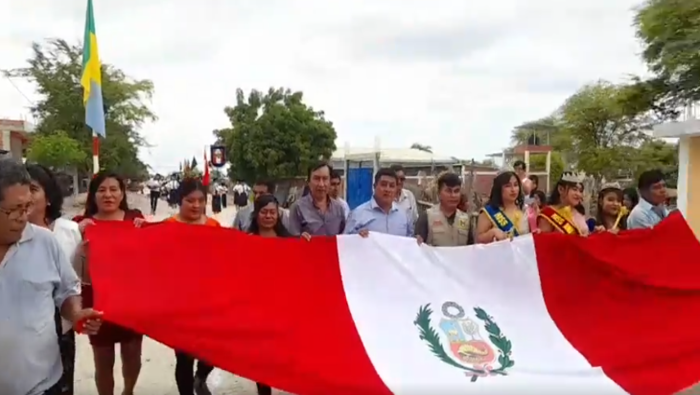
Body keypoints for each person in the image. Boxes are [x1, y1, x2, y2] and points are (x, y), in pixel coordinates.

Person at [0, 160, 101, 395]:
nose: (23, 217)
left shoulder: (45, 242)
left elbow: (67, 291)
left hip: (42, 385)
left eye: (27, 207)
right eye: (13, 209)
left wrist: (76, 313)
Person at [72, 172, 145, 395]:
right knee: (103, 360)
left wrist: (145, 233)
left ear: (122, 193)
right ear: (93, 195)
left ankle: (128, 391)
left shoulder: (134, 219)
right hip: (97, 300)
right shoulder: (80, 224)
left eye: (114, 189)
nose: (108, 195)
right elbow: (72, 271)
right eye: (101, 190)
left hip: (131, 300)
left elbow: (150, 259)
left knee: (132, 355)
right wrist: (77, 237)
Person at [26, 164, 83, 395]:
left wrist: (77, 313)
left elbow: (75, 283)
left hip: (59, 332)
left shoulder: (68, 232)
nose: (25, 196)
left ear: (48, 197)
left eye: (32, 188)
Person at [246, 194, 310, 395]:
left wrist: (306, 243)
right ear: (256, 215)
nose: (268, 216)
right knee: (261, 357)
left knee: (283, 354)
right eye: (264, 212)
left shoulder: (288, 241)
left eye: (272, 212)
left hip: (281, 307)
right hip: (255, 308)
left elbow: (301, 266)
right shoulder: (245, 242)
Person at [163, 179, 219, 395]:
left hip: (209, 301)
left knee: (212, 352)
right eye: (190, 201)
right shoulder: (168, 226)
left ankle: (201, 377)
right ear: (180, 200)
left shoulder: (214, 226)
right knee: (184, 356)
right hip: (179, 303)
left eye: (200, 201)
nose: (196, 205)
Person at [345, 168, 413, 237]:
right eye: (383, 184)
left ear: (396, 189)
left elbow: (410, 242)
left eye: (392, 186)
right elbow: (345, 242)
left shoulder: (404, 216)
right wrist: (356, 237)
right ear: (374, 186)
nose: (387, 189)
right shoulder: (357, 214)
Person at [289, 162, 346, 236]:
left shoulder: (339, 208)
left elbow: (345, 237)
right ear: (309, 182)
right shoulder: (298, 208)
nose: (321, 184)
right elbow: (292, 241)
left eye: (325, 179)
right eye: (316, 178)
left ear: (329, 181)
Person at [415, 172, 471, 246]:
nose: (453, 195)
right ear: (439, 193)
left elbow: (471, 249)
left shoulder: (466, 219)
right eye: (448, 191)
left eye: (456, 191)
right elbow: (418, 247)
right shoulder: (427, 217)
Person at [476, 170, 529, 243]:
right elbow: (479, 239)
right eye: (508, 186)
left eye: (516, 185)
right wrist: (492, 233)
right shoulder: (489, 212)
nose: (513, 190)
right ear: (499, 189)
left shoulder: (525, 210)